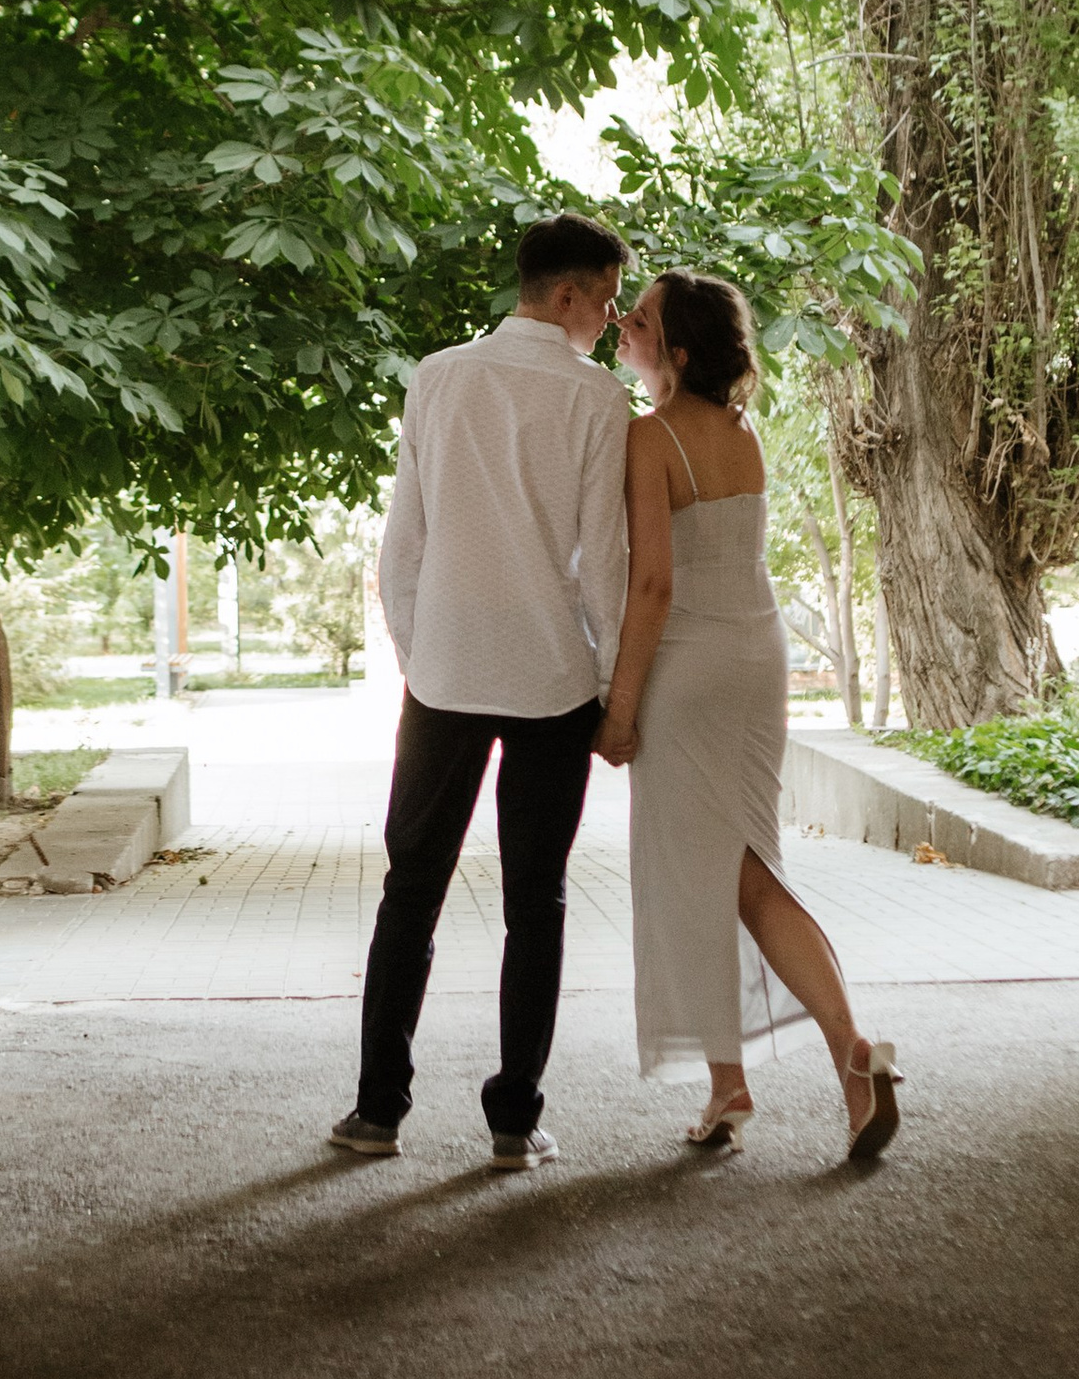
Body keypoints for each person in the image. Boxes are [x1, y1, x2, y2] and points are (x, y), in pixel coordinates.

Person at [329, 214, 631, 1170]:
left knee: (407, 894)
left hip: (446, 678)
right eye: (610, 296)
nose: (614, 316)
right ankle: (513, 1123)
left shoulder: (438, 376)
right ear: (571, 296)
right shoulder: (600, 402)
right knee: (535, 902)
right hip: (553, 681)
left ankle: (377, 1112)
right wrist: (616, 687)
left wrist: (426, 659)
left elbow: (402, 545)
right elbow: (604, 573)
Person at [596, 269, 901, 1164]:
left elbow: (652, 583)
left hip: (687, 668)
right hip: (757, 658)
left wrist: (619, 709)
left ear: (677, 353)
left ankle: (850, 1050)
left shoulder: (650, 441)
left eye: (640, 318)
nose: (623, 322)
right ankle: (729, 1085)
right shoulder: (743, 434)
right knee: (734, 864)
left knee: (737, 878)